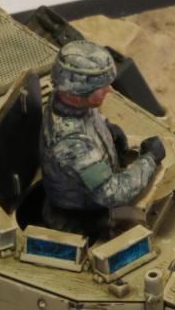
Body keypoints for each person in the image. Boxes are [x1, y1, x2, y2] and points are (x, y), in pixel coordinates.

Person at [40, 40, 165, 231]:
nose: (109, 90)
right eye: (101, 88)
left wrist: (107, 127)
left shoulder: (66, 99)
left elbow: (88, 116)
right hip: (83, 217)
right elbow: (113, 193)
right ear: (75, 96)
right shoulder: (71, 145)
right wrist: (150, 160)